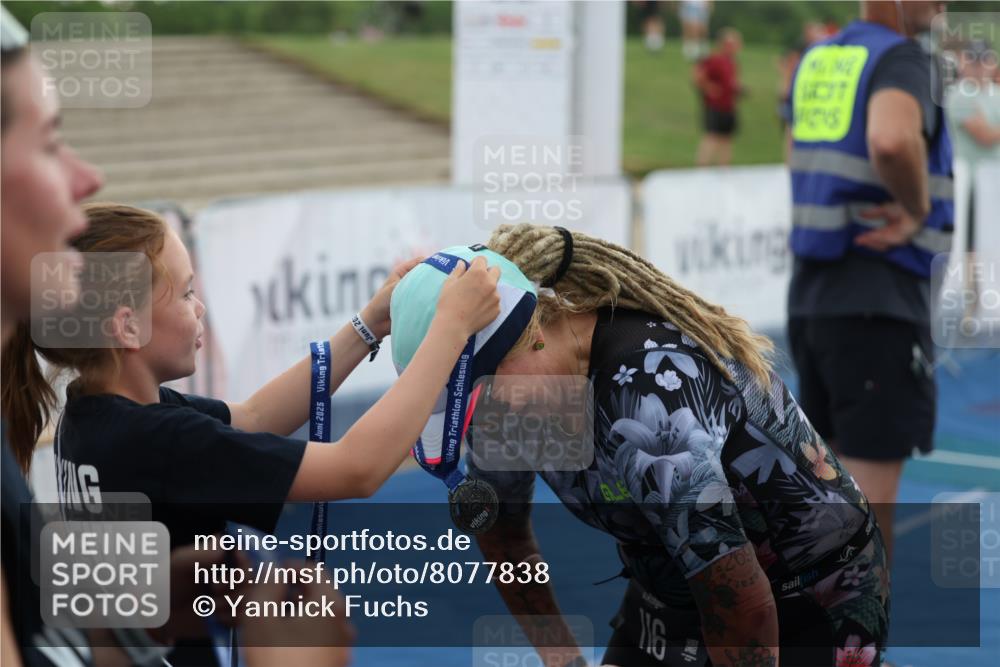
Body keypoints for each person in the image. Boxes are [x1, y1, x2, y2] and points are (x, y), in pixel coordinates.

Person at [2, 201, 500, 663]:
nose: (199, 308)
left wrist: (369, 323)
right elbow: (356, 469)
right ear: (127, 328)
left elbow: (258, 416)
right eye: (187, 292)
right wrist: (449, 331)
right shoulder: (158, 438)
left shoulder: (93, 415)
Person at [389, 225, 890, 667]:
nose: (490, 423)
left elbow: (744, 605)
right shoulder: (500, 398)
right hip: (672, 583)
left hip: (807, 595)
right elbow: (506, 539)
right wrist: (562, 660)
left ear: (531, 333)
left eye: (486, 399)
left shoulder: (650, 392)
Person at [786, 0, 952, 563]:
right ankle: (858, 649)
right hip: (878, 305)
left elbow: (796, 154)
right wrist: (916, 207)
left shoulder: (819, 60)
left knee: (825, 498)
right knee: (867, 518)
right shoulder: (903, 59)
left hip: (813, 301)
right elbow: (890, 138)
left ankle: (818, 640)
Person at [945, 38, 1000, 320]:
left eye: (984, 60)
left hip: (994, 183)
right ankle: (972, 302)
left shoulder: (993, 95)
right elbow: (985, 135)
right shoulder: (959, 96)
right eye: (974, 61)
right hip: (971, 185)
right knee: (971, 244)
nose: (979, 68)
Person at [693, 28, 744, 167]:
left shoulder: (732, 62)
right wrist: (709, 88)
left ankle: (724, 170)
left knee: (726, 140)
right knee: (712, 138)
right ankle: (701, 170)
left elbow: (730, 82)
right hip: (715, 106)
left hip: (728, 106)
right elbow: (698, 75)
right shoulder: (715, 59)